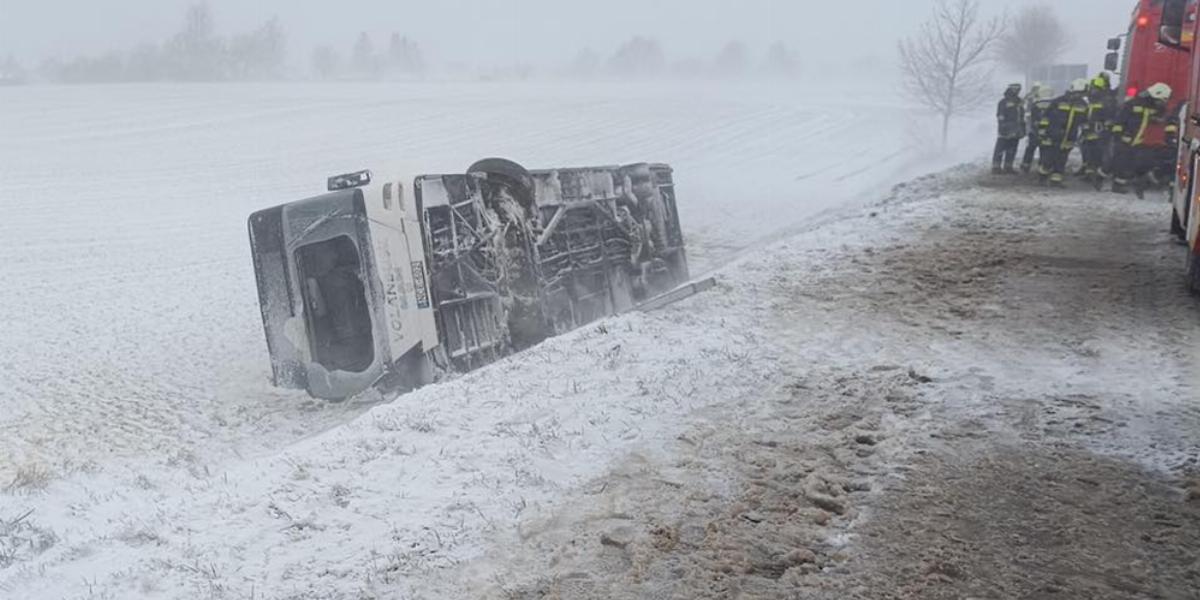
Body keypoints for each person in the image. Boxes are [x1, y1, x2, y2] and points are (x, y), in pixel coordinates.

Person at [1109, 82, 1174, 198]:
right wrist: (1118, 135)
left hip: (1138, 141)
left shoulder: (1153, 107)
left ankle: (1132, 184)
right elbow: (1120, 120)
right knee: (1121, 164)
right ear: (1155, 95)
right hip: (1125, 140)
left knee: (1136, 164)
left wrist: (1160, 115)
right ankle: (1116, 185)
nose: (1162, 103)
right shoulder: (1132, 104)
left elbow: (1160, 116)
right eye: (1161, 100)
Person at [1038, 79, 1091, 187]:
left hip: (1070, 137)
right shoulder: (1058, 101)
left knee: (1062, 160)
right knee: (1048, 159)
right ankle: (1042, 177)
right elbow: (1046, 117)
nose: (1080, 95)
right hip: (1053, 135)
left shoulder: (1083, 104)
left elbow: (1085, 121)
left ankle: (1056, 180)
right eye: (1079, 93)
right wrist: (1042, 131)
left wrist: (1086, 132)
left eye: (1082, 94)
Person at [1081, 73, 1119, 188]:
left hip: (1100, 132)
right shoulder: (1093, 100)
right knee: (1088, 152)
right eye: (1091, 89)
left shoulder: (1106, 100)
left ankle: (1097, 175)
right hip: (1090, 131)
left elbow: (1109, 116)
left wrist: (1106, 129)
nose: (1092, 91)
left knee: (1098, 154)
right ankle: (1089, 173)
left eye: (1094, 89)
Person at [993, 83, 1025, 174]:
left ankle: (1008, 166)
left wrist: (1023, 128)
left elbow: (1021, 116)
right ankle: (996, 167)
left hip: (1016, 129)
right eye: (1014, 89)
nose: (1016, 91)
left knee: (1012, 148)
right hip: (1005, 128)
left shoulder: (1019, 101)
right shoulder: (1003, 102)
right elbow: (1000, 115)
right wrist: (1002, 126)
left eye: (1018, 89)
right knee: (1000, 147)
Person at [1021, 83, 1052, 174]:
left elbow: (1031, 116)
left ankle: (1026, 165)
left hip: (1034, 130)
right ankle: (1042, 166)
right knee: (1044, 149)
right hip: (1047, 131)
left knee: (1030, 148)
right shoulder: (1053, 104)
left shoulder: (1035, 103)